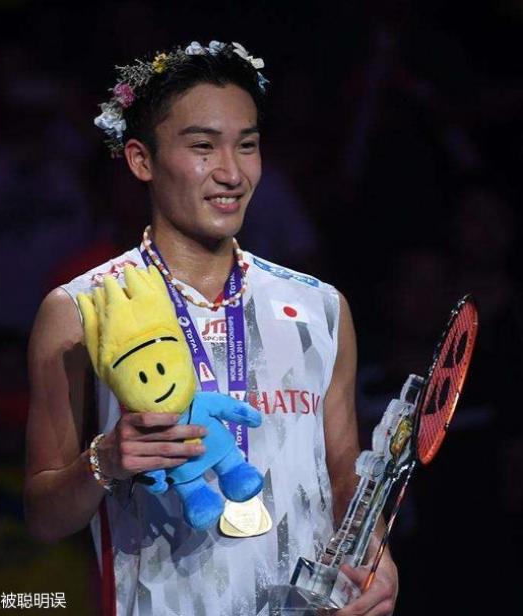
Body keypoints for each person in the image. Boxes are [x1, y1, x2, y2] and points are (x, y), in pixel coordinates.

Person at [24, 40, 398, 616]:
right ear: (141, 160)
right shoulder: (80, 310)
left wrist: (375, 556)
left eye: (247, 145)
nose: (232, 173)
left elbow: (342, 478)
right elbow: (44, 517)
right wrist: (105, 460)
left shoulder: (321, 308)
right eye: (203, 146)